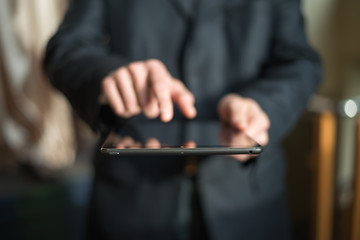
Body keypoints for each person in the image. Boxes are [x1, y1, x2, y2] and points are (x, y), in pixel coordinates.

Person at [44, 0, 322, 239]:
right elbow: (66, 49)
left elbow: (300, 61)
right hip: (131, 200)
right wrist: (106, 76)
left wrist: (262, 106)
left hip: (248, 200)